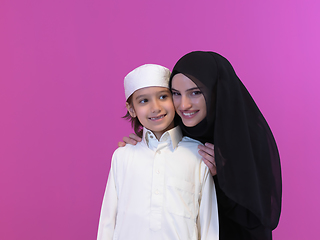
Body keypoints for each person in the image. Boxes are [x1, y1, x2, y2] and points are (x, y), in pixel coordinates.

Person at [119, 52, 282, 240]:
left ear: (216, 91)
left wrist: (223, 176)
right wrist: (142, 146)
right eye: (176, 94)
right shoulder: (180, 132)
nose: (184, 104)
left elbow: (260, 216)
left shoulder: (247, 136)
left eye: (195, 92)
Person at [97, 64, 219, 240]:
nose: (155, 107)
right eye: (144, 101)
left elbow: (208, 224)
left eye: (163, 97)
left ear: (174, 99)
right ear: (131, 109)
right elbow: (108, 222)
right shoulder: (122, 156)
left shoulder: (197, 154)